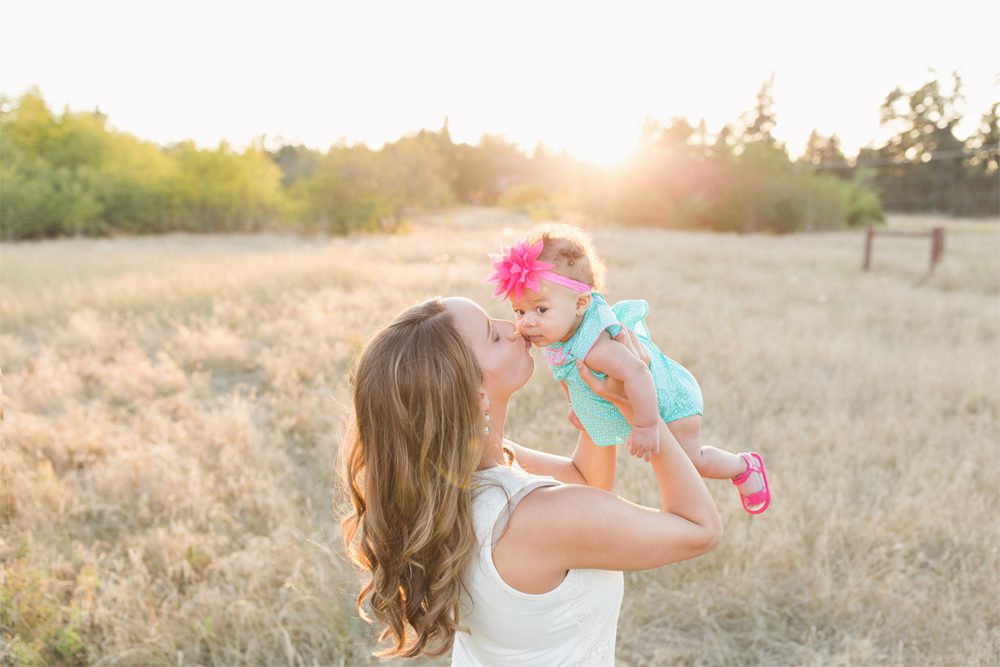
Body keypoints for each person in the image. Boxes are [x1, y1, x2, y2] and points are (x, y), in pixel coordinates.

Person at [341, 296, 722, 665]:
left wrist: (597, 395)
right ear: (473, 394)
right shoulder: (535, 516)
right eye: (492, 333)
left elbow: (587, 481)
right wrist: (642, 411)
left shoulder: (440, 474)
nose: (515, 327)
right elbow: (699, 529)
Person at [486, 224, 770, 514]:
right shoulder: (557, 333)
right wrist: (576, 406)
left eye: (540, 309)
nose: (527, 322)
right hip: (645, 401)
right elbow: (566, 376)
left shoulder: (596, 346)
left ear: (581, 303)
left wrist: (646, 426)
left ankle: (743, 466)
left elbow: (637, 371)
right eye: (519, 311)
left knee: (691, 463)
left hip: (671, 403)